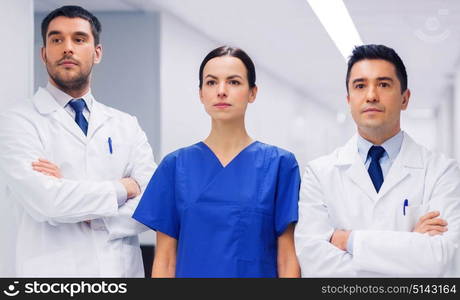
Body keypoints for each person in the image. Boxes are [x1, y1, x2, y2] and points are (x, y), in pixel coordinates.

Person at [0, 5, 156, 277]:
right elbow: (48, 201)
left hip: (118, 274)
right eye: (56, 39)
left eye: (79, 39)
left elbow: (150, 205)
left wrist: (83, 208)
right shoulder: (17, 122)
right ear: (43, 53)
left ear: (97, 53)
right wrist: (123, 188)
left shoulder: (126, 125)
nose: (67, 48)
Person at [133, 46, 300, 278]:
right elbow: (166, 259)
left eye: (233, 82)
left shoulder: (280, 165)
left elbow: (287, 257)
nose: (221, 91)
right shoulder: (175, 166)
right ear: (201, 93)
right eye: (211, 83)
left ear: (252, 92)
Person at [295, 44, 460, 277]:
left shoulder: (442, 171)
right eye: (360, 86)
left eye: (383, 84)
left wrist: (349, 240)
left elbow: (441, 259)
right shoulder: (319, 174)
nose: (371, 95)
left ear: (405, 98)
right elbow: (316, 267)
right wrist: (411, 245)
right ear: (349, 99)